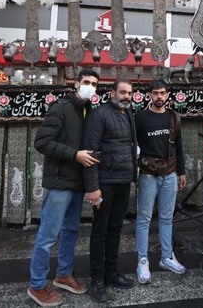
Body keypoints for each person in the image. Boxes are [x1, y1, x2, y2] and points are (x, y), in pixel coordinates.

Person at [27, 69, 100, 307]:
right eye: (86, 82)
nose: (90, 87)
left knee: (71, 231)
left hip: (78, 183)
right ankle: (37, 284)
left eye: (94, 84)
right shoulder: (60, 108)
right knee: (48, 235)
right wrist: (74, 154)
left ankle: (64, 274)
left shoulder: (89, 111)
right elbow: (42, 142)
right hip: (59, 182)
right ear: (76, 84)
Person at [83, 79, 138, 302]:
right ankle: (97, 279)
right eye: (122, 92)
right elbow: (91, 151)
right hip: (104, 182)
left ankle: (111, 273)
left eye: (129, 93)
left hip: (123, 180)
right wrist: (93, 187)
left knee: (116, 228)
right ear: (112, 92)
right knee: (100, 231)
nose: (126, 96)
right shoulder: (99, 115)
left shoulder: (128, 113)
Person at [135, 80, 188, 284]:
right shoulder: (139, 118)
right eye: (155, 93)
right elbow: (132, 145)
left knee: (167, 218)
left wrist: (181, 172)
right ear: (149, 95)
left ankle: (167, 257)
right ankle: (142, 261)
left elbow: (178, 147)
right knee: (144, 219)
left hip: (170, 174)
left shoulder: (173, 117)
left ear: (167, 95)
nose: (159, 96)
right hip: (148, 174)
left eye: (162, 93)